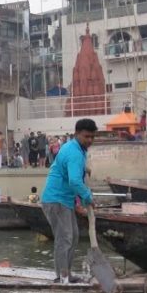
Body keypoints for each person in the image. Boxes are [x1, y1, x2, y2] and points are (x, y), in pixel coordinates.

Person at [42, 118, 97, 283]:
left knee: (72, 237)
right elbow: (74, 181)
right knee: (65, 238)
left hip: (65, 200)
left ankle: (65, 273)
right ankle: (62, 277)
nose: (89, 140)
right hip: (56, 200)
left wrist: (83, 169)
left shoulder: (76, 148)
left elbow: (69, 170)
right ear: (77, 134)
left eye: (92, 137)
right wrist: (87, 197)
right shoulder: (74, 152)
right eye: (86, 136)